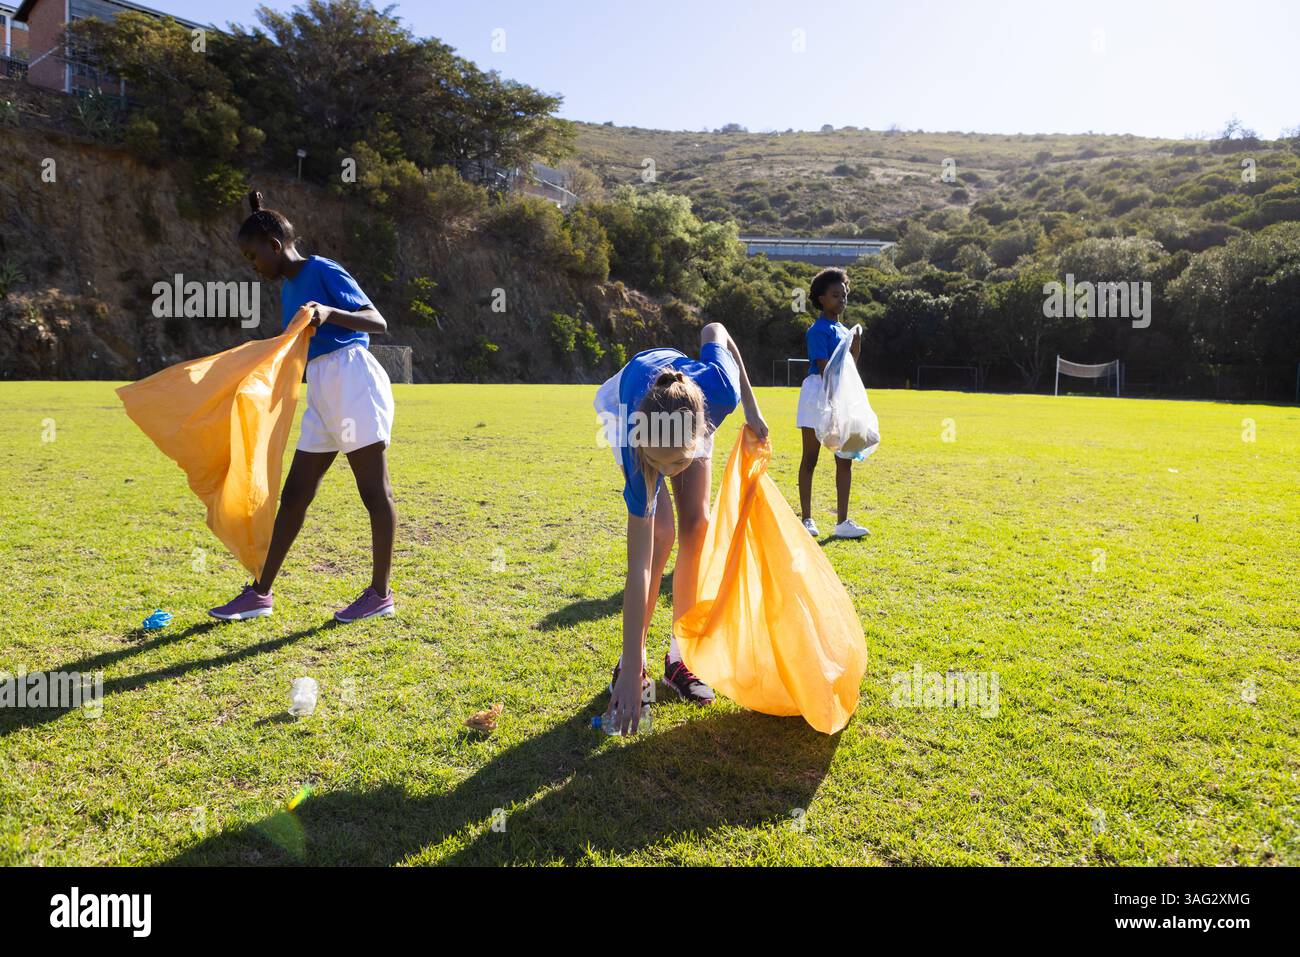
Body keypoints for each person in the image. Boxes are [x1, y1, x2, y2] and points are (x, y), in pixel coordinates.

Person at [208, 191, 398, 624]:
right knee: (295, 494)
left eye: (253, 256)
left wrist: (330, 311)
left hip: (352, 379)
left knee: (373, 491)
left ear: (274, 247)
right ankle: (260, 593)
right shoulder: (289, 287)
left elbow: (378, 321)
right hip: (322, 390)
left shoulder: (323, 270)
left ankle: (380, 594)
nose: (251, 266)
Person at [594, 323, 768, 734]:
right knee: (659, 535)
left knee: (697, 525)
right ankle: (630, 662)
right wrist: (633, 662)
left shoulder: (720, 390)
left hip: (689, 408)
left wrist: (752, 407)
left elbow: (717, 329)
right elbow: (636, 566)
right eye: (659, 465)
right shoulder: (639, 449)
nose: (666, 474)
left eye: (675, 465)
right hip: (636, 399)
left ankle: (681, 656)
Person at [796, 267, 870, 540]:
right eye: (835, 295)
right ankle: (807, 519)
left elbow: (850, 367)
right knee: (811, 458)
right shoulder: (818, 330)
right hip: (818, 393)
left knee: (845, 459)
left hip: (840, 394)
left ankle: (842, 522)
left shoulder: (843, 329)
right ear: (821, 299)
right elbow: (826, 369)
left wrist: (856, 343)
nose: (842, 300)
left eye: (845, 295)